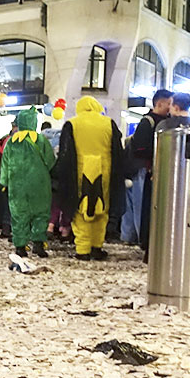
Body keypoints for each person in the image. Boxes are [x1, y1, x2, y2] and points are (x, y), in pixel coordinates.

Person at [56, 96, 125, 261]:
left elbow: (65, 153)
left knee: (81, 210)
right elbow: (118, 151)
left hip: (79, 172)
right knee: (102, 210)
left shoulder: (72, 124)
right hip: (104, 173)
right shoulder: (109, 123)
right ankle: (96, 247)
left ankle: (82, 249)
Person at [0, 107, 55, 258]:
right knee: (40, 214)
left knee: (19, 215)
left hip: (17, 186)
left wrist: (4, 182)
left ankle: (20, 247)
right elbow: (50, 161)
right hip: (39, 184)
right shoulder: (41, 140)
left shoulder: (11, 142)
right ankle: (38, 245)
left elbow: (5, 164)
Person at [128, 89, 172, 253]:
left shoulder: (161, 121)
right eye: (168, 103)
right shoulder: (148, 122)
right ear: (159, 103)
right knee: (142, 205)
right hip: (145, 169)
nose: (170, 106)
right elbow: (140, 148)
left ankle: (143, 239)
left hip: (151, 169)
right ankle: (142, 240)